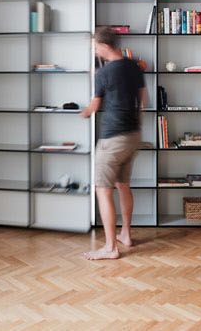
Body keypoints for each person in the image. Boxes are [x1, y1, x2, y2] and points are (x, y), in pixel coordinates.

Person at [80, 26, 146, 260]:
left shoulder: (103, 73)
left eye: (95, 47)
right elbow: (143, 101)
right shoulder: (134, 65)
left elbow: (94, 107)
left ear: (104, 46)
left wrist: (83, 112)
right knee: (123, 185)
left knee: (103, 190)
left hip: (113, 138)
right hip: (132, 135)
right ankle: (125, 235)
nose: (95, 51)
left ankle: (110, 247)